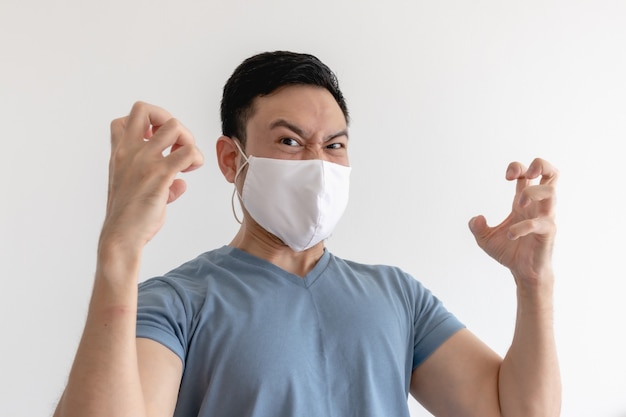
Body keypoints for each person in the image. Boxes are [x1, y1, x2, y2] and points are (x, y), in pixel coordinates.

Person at [53, 51, 561, 417]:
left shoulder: (398, 297)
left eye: (334, 145)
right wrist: (118, 252)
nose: (318, 163)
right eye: (290, 140)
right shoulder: (177, 304)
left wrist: (533, 284)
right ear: (233, 160)